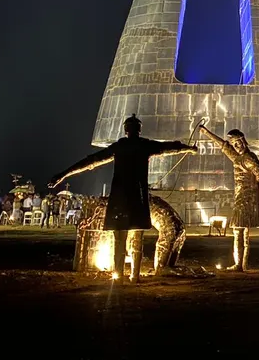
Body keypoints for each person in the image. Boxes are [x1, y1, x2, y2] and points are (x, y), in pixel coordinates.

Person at [48, 114, 197, 281]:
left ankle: (120, 274)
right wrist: (187, 148)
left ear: (126, 130)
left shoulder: (121, 147)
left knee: (121, 238)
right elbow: (168, 147)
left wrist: (63, 174)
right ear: (138, 130)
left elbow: (91, 161)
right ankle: (133, 275)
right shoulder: (143, 145)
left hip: (121, 197)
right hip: (136, 197)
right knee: (135, 238)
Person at [199, 125, 259, 271]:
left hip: (246, 199)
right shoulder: (238, 158)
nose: (236, 146)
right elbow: (223, 145)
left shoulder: (248, 158)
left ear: (244, 141)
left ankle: (239, 265)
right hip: (241, 197)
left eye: (238, 142)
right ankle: (241, 264)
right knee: (242, 231)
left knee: (238, 230)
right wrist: (206, 132)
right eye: (235, 144)